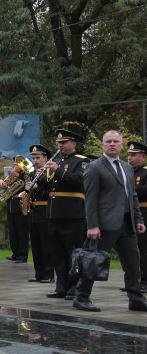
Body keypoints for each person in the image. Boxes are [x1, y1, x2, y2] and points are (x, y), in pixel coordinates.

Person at [77, 130, 147, 313]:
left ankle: (135, 298)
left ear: (122, 145)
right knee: (94, 261)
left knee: (133, 263)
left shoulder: (126, 167)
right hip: (104, 225)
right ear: (102, 145)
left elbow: (131, 195)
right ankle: (81, 297)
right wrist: (92, 225)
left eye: (116, 141)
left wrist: (138, 219)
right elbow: (90, 199)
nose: (112, 144)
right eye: (108, 141)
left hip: (126, 223)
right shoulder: (94, 167)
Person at [42, 128, 90, 299]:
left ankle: (74, 288)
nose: (60, 145)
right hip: (54, 214)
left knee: (73, 254)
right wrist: (39, 182)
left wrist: (58, 170)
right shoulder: (58, 161)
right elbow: (50, 189)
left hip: (72, 215)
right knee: (58, 254)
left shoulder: (82, 161)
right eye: (59, 143)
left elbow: (78, 181)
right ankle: (60, 287)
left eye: (64, 142)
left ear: (73, 144)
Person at [25, 144, 55, 283]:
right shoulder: (32, 174)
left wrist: (40, 185)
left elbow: (52, 191)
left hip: (45, 210)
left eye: (38, 158)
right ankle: (39, 273)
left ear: (45, 158)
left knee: (46, 244)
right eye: (33, 158)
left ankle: (48, 274)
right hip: (34, 211)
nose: (35, 161)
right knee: (36, 244)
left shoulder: (50, 173)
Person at [0, 159, 30, 263]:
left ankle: (23, 255)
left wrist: (17, 174)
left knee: (22, 232)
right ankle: (15, 253)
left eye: (18, 164)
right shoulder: (11, 174)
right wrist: (0, 182)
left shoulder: (27, 173)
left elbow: (27, 184)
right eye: (15, 163)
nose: (16, 165)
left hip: (20, 204)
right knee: (13, 232)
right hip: (10, 204)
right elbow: (3, 183)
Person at [128, 141, 147, 292]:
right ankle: (135, 280)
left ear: (143, 157)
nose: (130, 158)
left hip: (145, 214)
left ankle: (145, 280)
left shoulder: (146, 172)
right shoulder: (129, 172)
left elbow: (142, 191)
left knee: (144, 248)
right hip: (132, 214)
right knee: (134, 250)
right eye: (128, 155)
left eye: (133, 155)